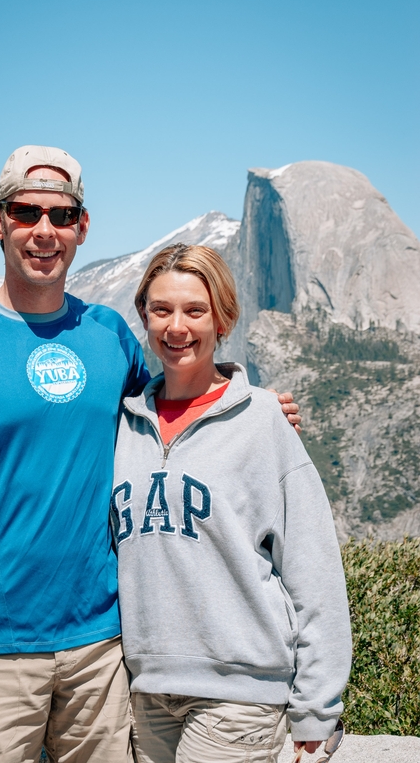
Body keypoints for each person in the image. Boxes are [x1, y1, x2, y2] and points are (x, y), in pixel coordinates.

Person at [0, 144, 301, 763]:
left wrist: (251, 403)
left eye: (60, 215)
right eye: (25, 212)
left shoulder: (109, 334)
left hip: (104, 651)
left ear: (82, 227)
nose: (43, 231)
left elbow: (177, 400)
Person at [110, 243, 352, 763]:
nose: (177, 327)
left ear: (223, 320)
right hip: (146, 693)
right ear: (145, 318)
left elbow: (314, 570)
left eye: (195, 311)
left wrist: (317, 706)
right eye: (162, 310)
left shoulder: (263, 420)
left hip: (239, 699)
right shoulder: (123, 424)